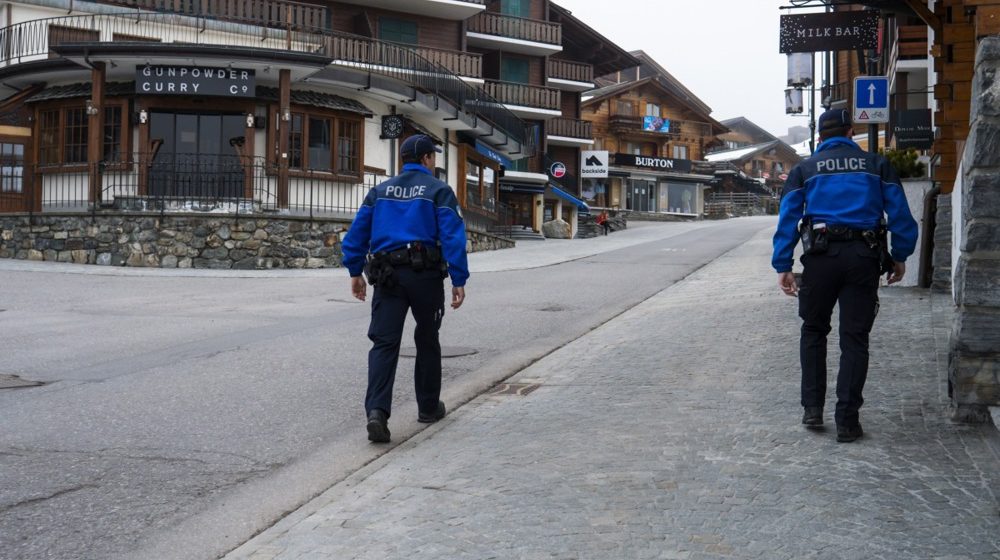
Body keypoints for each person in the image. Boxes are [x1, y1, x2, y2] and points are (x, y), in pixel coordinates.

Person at [771, 108, 917, 443]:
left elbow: (788, 219)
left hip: (820, 259)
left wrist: (783, 265)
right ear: (851, 132)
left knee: (813, 330)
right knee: (855, 339)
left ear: (820, 137)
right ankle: (848, 421)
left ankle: (812, 409)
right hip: (863, 258)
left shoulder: (805, 169)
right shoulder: (878, 166)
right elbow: (901, 216)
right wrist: (899, 256)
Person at [341, 134, 469, 443]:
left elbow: (358, 231)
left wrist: (354, 269)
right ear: (426, 158)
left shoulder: (380, 191)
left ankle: (377, 413)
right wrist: (458, 279)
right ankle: (428, 407)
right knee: (426, 338)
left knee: (384, 344)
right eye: (433, 156)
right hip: (424, 276)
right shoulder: (439, 190)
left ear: (403, 160)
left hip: (387, 276)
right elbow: (452, 235)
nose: (434, 161)